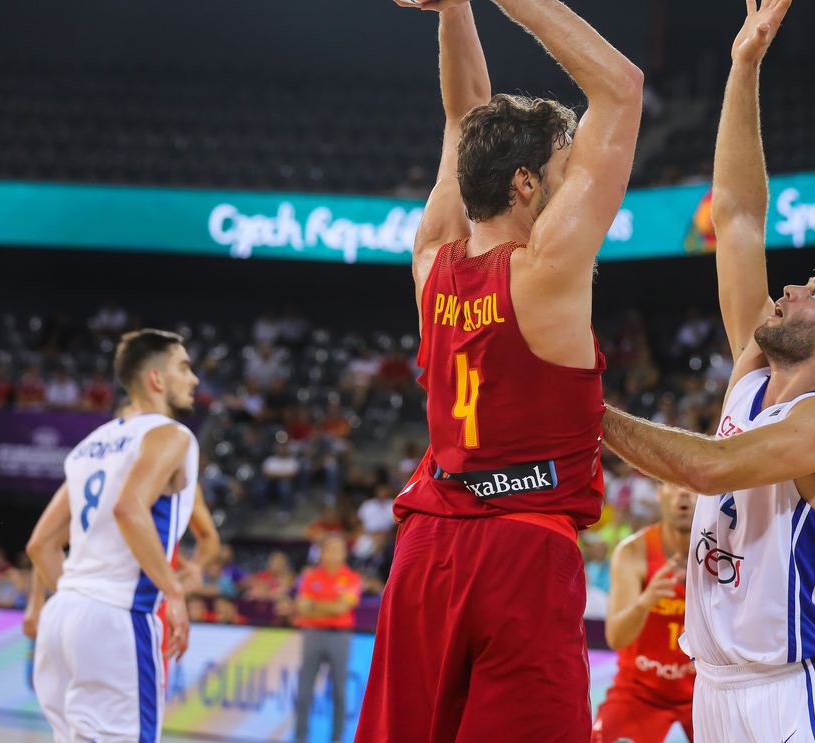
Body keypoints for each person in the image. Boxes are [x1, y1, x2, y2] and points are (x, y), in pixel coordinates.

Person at [600, 2, 815, 739]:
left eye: (814, 292)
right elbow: (735, 213)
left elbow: (710, 468)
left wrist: (581, 406)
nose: (790, 288)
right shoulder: (754, 367)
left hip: (793, 688)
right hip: (715, 686)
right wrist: (744, 65)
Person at [356, 0, 643, 739]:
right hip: (522, 548)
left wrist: (453, 10)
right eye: (562, 167)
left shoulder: (431, 260)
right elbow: (621, 87)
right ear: (525, 185)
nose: (572, 178)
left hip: (426, 547)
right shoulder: (547, 269)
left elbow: (462, 118)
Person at [24, 329, 203, 743]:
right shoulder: (171, 434)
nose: (193, 379)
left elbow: (40, 544)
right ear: (156, 379)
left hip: (62, 614)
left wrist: (82, 598)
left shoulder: (89, 445)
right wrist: (174, 592)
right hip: (118, 616)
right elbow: (129, 508)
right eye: (183, 367)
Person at [593, 482, 696, 743]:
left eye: (691, 484)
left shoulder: (727, 553)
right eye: (674, 483)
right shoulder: (633, 552)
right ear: (659, 492)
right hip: (640, 691)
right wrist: (645, 602)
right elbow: (616, 638)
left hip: (704, 689)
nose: (683, 492)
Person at [295, 535, 362, 743]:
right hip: (313, 634)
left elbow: (343, 607)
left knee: (339, 692)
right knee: (305, 690)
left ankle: (337, 739)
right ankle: (300, 738)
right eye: (330, 549)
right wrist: (330, 607)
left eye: (338, 549)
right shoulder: (310, 576)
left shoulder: (352, 578)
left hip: (339, 636)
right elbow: (302, 607)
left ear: (344, 554)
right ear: (322, 553)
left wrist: (315, 606)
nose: (334, 553)